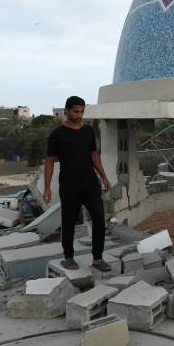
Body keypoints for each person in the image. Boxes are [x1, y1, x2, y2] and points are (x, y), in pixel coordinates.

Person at [43, 96, 112, 271]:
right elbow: (50, 161)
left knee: (99, 220)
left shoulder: (88, 131)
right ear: (66, 111)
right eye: (76, 111)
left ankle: (97, 259)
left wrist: (104, 176)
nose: (79, 114)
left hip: (90, 183)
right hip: (69, 185)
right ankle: (68, 257)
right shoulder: (57, 134)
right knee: (69, 223)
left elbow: (94, 155)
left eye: (82, 111)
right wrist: (47, 187)